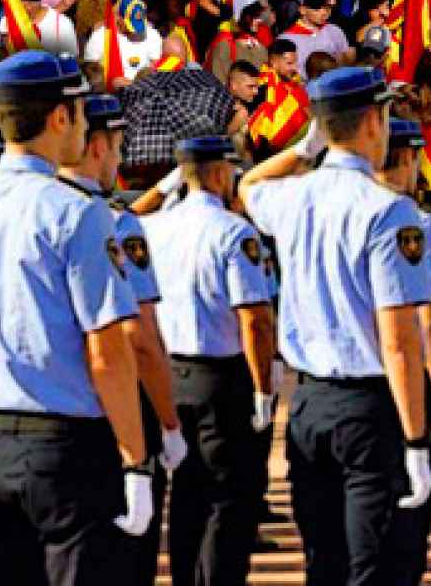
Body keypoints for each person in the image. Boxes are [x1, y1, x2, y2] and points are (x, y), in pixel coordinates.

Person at [0, 54, 151, 586]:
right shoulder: (77, 212)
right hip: (70, 447)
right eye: (81, 112)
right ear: (61, 118)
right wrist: (135, 459)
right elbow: (108, 352)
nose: (85, 125)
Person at [237, 66, 431, 586]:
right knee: (372, 567)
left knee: (322, 563)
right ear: (373, 121)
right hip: (370, 406)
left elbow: (249, 182)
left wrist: (304, 150)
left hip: (309, 404)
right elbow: (398, 340)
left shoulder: (292, 196)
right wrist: (418, 440)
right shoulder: (387, 210)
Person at [57, 95, 188, 585]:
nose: (120, 157)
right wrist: (169, 425)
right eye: (117, 145)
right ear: (96, 146)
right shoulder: (108, 220)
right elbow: (138, 337)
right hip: (109, 416)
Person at [135, 135, 275, 586]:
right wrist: (263, 388)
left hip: (170, 373)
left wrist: (162, 188)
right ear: (220, 172)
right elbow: (254, 319)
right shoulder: (234, 231)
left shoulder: (155, 227)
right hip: (222, 376)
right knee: (229, 499)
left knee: (188, 495)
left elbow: (125, 217)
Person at [378, 119, 431, 586]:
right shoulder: (414, 222)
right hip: (406, 381)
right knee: (409, 521)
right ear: (409, 159)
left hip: (341, 387)